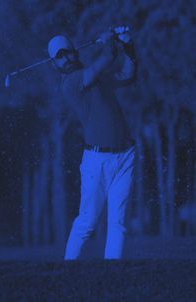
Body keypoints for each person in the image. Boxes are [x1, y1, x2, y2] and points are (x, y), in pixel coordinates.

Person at [47, 26, 138, 260]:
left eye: (67, 52)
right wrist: (109, 41)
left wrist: (128, 47)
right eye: (59, 57)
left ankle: (112, 274)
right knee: (88, 221)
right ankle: (68, 270)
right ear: (54, 65)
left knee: (118, 222)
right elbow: (107, 57)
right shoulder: (71, 82)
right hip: (97, 160)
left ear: (75, 52)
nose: (65, 59)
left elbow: (129, 75)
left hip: (125, 154)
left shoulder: (93, 75)